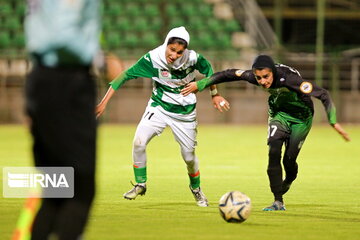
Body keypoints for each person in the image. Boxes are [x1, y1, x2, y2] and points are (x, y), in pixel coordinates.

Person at [181, 54, 350, 211]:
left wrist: (333, 122)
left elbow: (323, 94)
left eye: (266, 77)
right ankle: (278, 201)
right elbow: (228, 74)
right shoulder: (253, 76)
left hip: (301, 118)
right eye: (259, 77)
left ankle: (289, 179)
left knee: (289, 160)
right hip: (279, 114)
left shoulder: (290, 80)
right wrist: (201, 84)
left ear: (273, 73)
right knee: (274, 151)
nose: (262, 81)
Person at [96, 26, 230, 207]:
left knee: (189, 157)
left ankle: (196, 189)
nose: (174, 55)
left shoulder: (193, 58)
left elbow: (210, 72)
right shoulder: (153, 58)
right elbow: (124, 75)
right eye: (172, 49)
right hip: (158, 107)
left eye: (179, 52)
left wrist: (214, 93)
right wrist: (104, 102)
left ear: (185, 51)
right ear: (166, 44)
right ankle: (140, 184)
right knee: (139, 142)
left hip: (185, 112)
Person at [24, 0, 100, 239]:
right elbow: (62, 33)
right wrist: (101, 59)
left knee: (57, 191)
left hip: (43, 78)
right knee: (80, 190)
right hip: (66, 83)